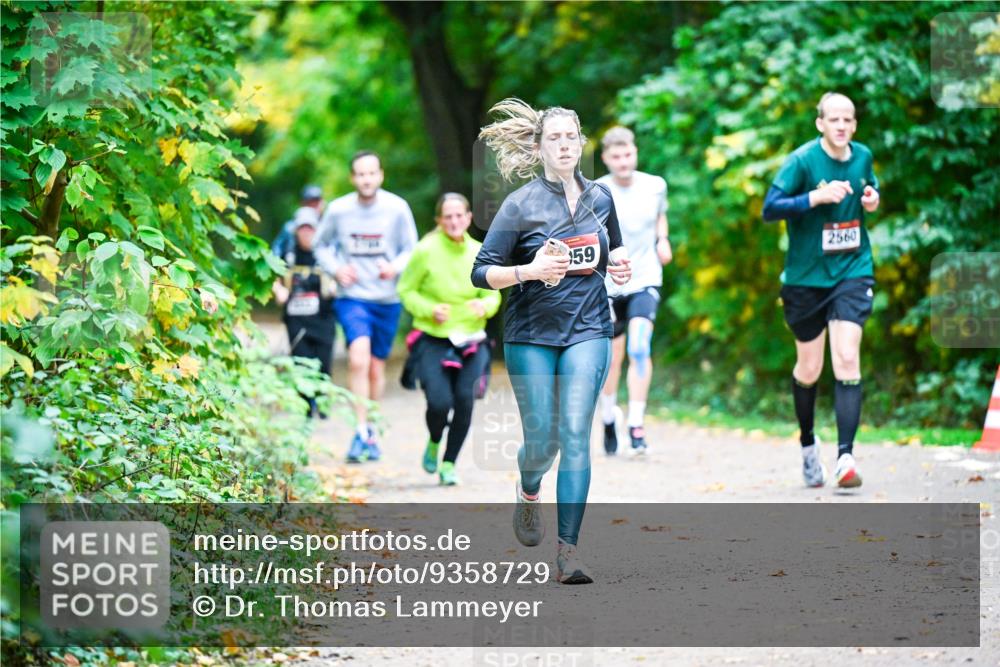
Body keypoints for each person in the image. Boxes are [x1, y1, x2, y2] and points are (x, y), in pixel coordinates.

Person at [472, 99, 632, 584]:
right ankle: (528, 488)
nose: (564, 145)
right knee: (543, 440)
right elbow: (481, 273)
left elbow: (611, 252)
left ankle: (569, 553)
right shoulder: (519, 205)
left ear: (581, 143)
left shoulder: (600, 198)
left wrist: (619, 265)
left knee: (576, 435)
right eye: (554, 138)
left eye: (571, 137)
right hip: (531, 334)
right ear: (540, 147)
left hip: (588, 328)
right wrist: (529, 270)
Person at [762, 92, 881, 489]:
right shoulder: (801, 161)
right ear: (820, 124)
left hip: (852, 270)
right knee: (809, 368)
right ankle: (808, 446)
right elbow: (770, 208)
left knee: (847, 357)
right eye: (834, 119)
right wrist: (816, 197)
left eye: (848, 119)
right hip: (805, 280)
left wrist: (871, 197)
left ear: (855, 124)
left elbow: (871, 189)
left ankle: (845, 457)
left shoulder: (863, 156)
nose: (842, 126)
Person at [315, 151, 418, 463]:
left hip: (386, 298)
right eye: (360, 174)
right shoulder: (339, 209)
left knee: (375, 368)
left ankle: (371, 429)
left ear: (380, 175)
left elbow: (410, 248)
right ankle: (359, 431)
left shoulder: (397, 208)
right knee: (358, 359)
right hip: (352, 296)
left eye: (371, 173)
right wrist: (336, 269)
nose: (366, 179)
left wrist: (395, 267)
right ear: (352, 178)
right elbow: (320, 245)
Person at [397, 193, 502, 486]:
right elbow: (406, 290)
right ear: (439, 221)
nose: (455, 221)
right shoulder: (425, 250)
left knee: (465, 401)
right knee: (440, 403)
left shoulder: (481, 250)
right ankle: (434, 439)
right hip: (434, 337)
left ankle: (449, 463)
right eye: (448, 217)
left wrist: (486, 306)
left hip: (472, 338)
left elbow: (493, 289)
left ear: (469, 218)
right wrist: (429, 310)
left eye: (460, 216)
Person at [595, 126, 673, 455]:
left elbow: (660, 217)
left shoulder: (655, 185)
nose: (623, 162)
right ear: (606, 159)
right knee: (612, 360)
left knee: (640, 348)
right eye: (616, 157)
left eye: (628, 155)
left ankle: (636, 423)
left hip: (645, 277)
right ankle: (609, 416)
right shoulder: (597, 190)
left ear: (635, 153)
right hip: (609, 285)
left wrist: (663, 239)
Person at [272, 207, 337, 417]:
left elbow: (341, 272)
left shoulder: (326, 253)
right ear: (296, 230)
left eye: (310, 228)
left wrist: (335, 286)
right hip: (296, 319)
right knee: (300, 361)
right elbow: (274, 277)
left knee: (323, 361)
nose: (306, 233)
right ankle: (306, 406)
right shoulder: (287, 252)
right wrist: (278, 289)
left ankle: (322, 401)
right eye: (303, 228)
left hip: (323, 317)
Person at [272, 184, 324, 259]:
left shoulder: (327, 225)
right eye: (310, 203)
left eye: (316, 203)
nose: (313, 207)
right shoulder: (290, 227)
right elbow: (277, 249)